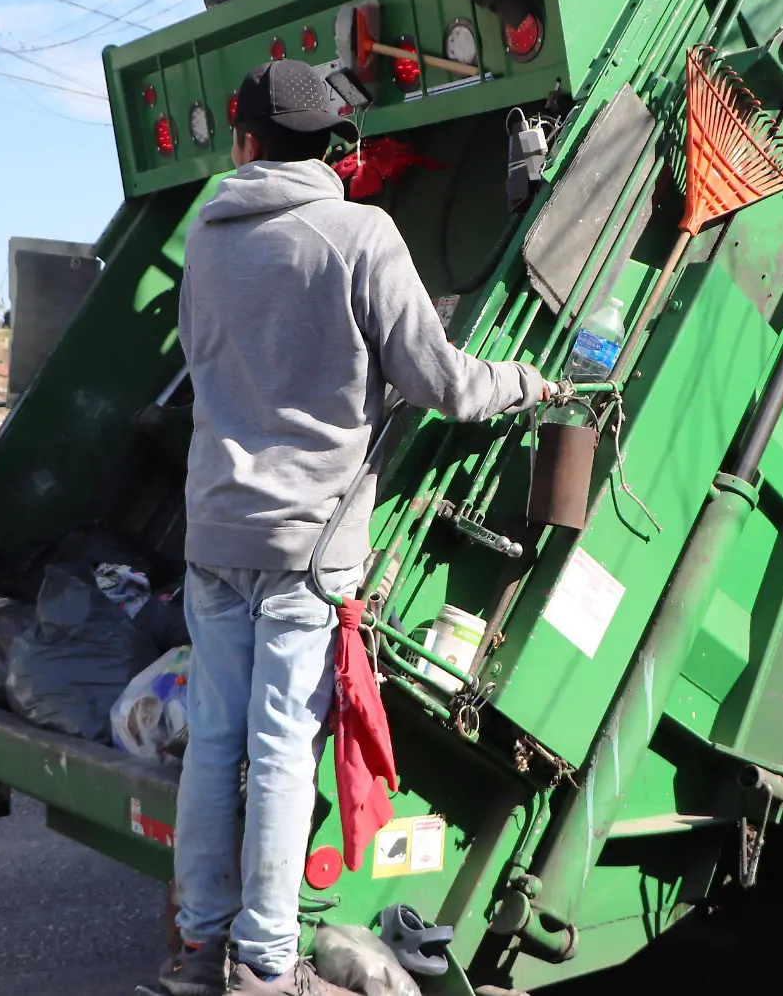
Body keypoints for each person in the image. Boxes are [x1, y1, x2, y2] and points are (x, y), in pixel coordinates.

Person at [142, 60, 548, 996]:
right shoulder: (361, 233)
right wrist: (527, 382)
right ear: (335, 146)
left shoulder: (206, 238)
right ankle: (267, 959)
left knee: (215, 738)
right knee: (284, 744)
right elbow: (441, 384)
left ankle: (199, 948)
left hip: (215, 535)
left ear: (244, 143)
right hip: (307, 544)